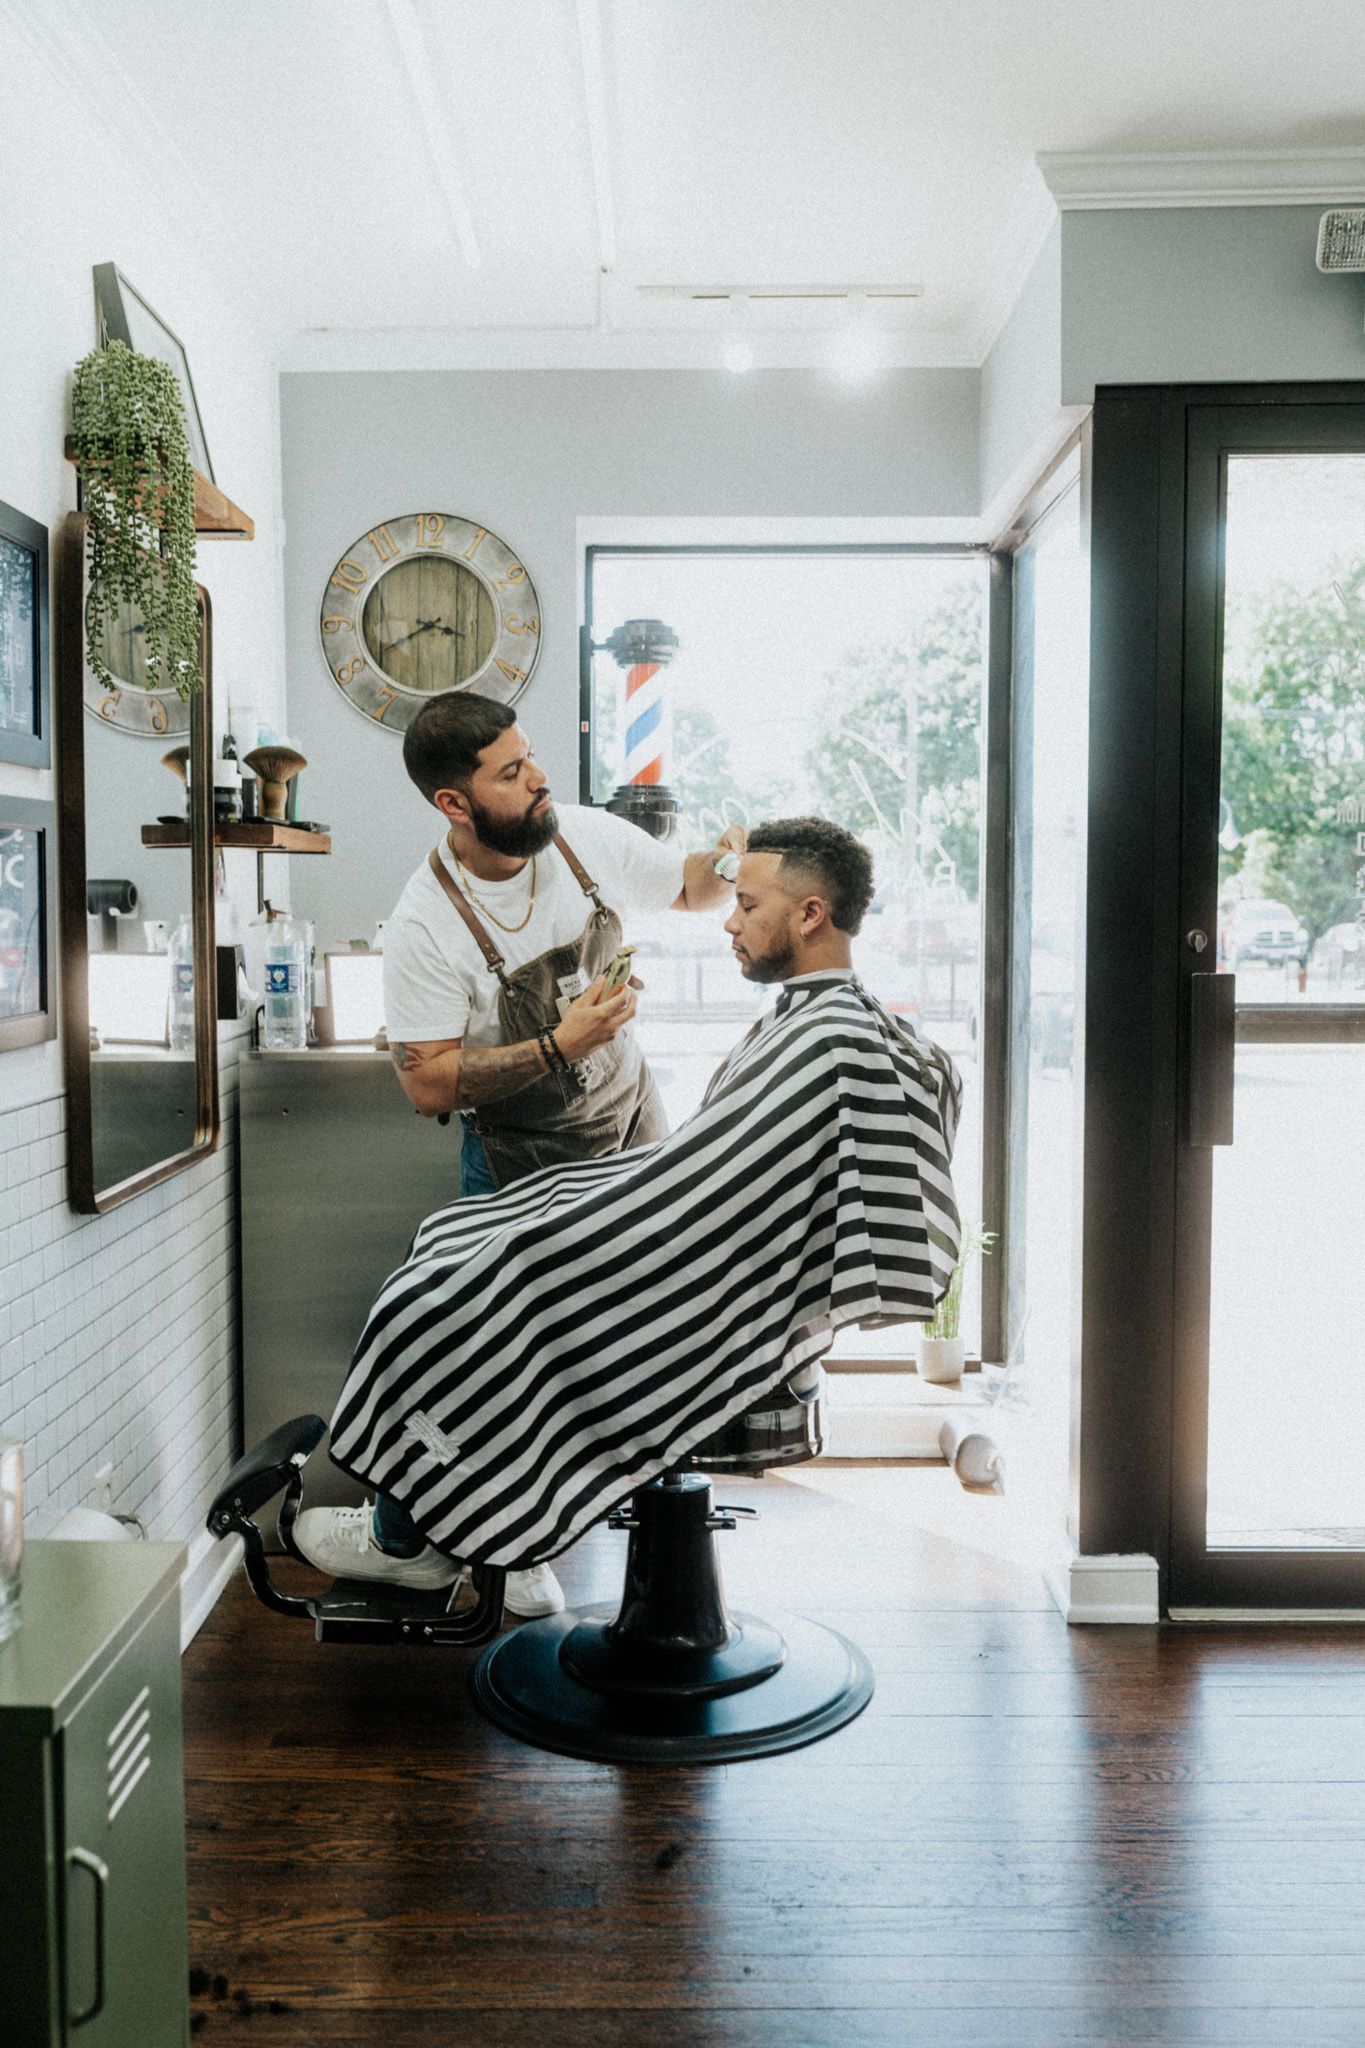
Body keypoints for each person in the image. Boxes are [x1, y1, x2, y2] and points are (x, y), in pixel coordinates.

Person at [310, 817, 964, 1582]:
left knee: (442, 1300)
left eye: (747, 906)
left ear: (810, 914)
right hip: (685, 1251)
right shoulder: (836, 1023)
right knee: (458, 1240)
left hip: (696, 1294)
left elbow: (719, 1206)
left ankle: (424, 1543)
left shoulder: (831, 1041)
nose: (729, 919)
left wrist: (566, 1225)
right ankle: (488, 1529)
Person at [292, 689, 744, 1611]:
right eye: (510, 772)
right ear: (454, 803)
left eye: (529, 756)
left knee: (624, 1340)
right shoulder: (424, 924)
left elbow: (690, 888)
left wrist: (736, 863)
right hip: (518, 1163)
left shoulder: (577, 835)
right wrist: (557, 1045)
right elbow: (426, 1082)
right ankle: (479, 1542)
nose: (537, 778)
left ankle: (576, 1523)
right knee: (481, 1350)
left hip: (629, 1127)